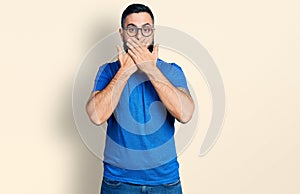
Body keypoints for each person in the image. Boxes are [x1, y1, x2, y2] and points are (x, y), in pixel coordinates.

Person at [86, 3, 194, 194]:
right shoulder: (108, 71)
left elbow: (185, 114)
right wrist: (125, 71)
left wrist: (151, 69)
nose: (139, 36)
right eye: (131, 29)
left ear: (153, 32)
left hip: (164, 182)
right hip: (118, 182)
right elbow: (96, 116)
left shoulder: (172, 70)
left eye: (146, 29)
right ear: (122, 33)